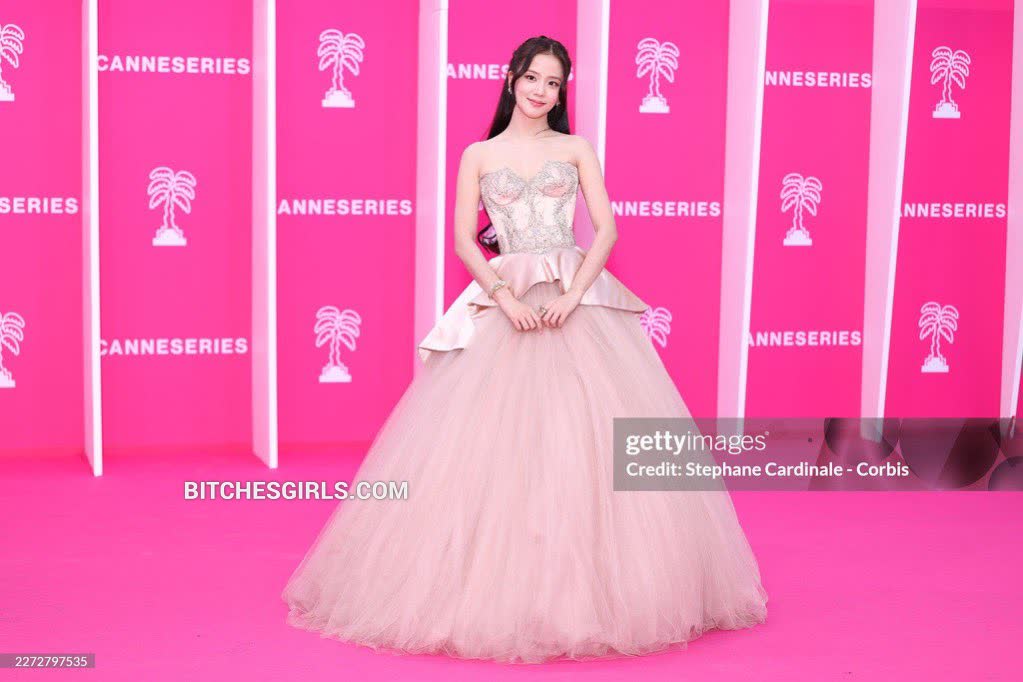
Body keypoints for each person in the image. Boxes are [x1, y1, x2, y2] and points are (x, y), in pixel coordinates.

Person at [282, 35, 768, 664]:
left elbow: (607, 229)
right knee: (489, 448)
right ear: (511, 77)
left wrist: (576, 293)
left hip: (573, 300)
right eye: (533, 77)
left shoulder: (575, 148)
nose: (541, 91)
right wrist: (503, 298)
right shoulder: (480, 154)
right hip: (507, 299)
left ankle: (597, 592)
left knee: (585, 440)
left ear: (563, 92)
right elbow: (464, 239)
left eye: (554, 83)